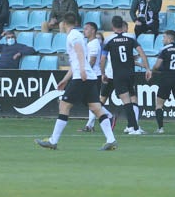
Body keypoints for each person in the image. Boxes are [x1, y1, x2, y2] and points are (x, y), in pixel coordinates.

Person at [35, 14, 119, 151]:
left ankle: (53, 141)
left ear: (63, 23)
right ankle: (111, 140)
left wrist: (82, 70)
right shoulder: (77, 34)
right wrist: (65, 79)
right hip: (88, 76)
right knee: (96, 108)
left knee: (64, 106)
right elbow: (76, 61)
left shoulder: (73, 35)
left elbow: (80, 52)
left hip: (81, 77)